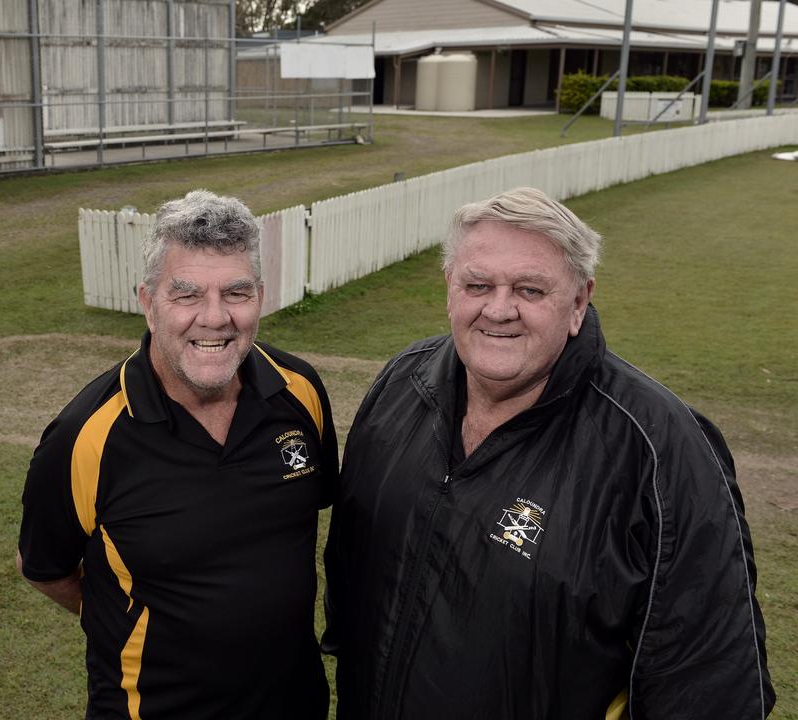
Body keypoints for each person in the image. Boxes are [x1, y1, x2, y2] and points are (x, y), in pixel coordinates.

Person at [324, 187, 774, 719]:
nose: (499, 308)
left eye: (530, 290)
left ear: (579, 301)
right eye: (477, 284)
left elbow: (712, 685)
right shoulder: (402, 384)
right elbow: (351, 571)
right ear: (450, 287)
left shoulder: (660, 448)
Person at [18, 189, 337, 719]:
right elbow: (44, 568)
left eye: (236, 293)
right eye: (186, 295)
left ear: (260, 294)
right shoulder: (85, 436)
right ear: (147, 302)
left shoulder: (299, 390)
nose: (214, 319)